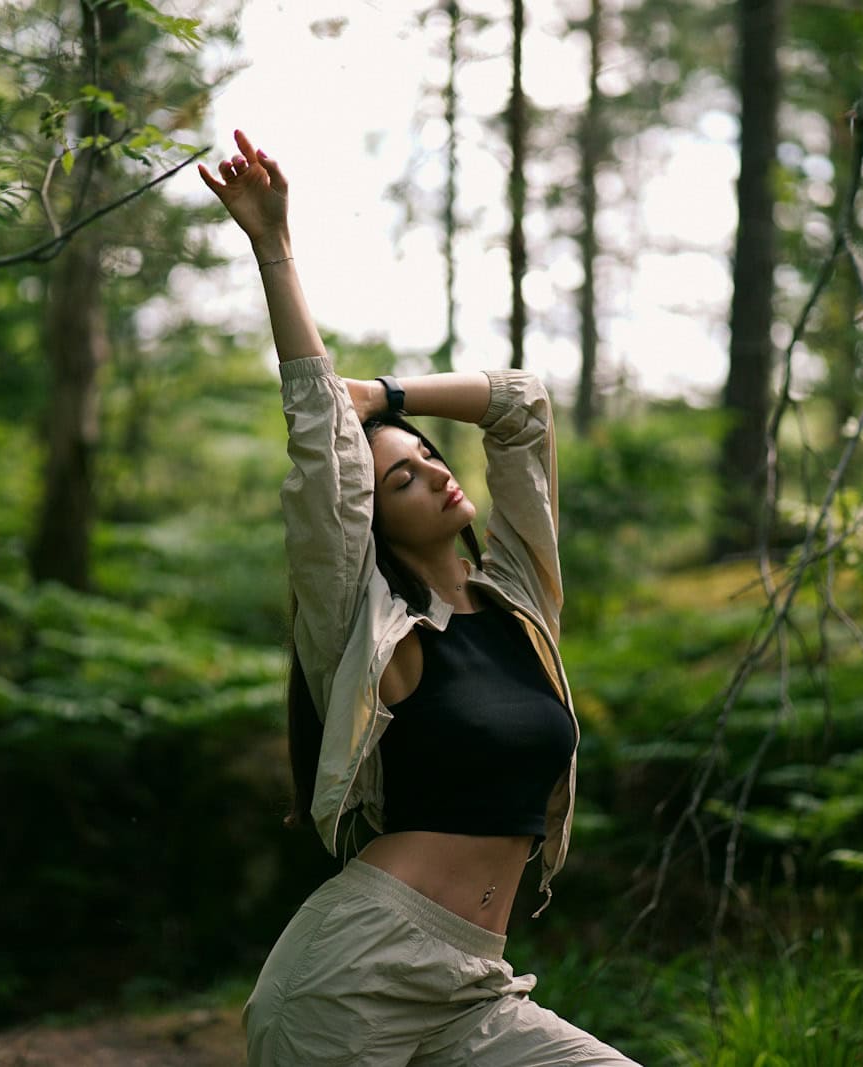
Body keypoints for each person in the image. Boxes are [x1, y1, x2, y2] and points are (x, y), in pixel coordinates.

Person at [200, 129, 639, 1067]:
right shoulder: (373, 631)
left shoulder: (519, 601)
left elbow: (521, 406)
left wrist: (386, 394)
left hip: (476, 986)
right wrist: (275, 249)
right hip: (352, 975)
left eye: (431, 456)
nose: (435, 473)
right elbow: (319, 444)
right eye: (401, 480)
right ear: (373, 521)